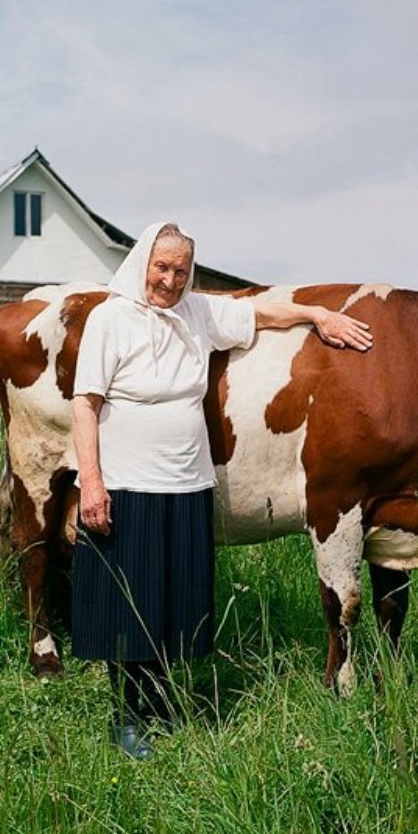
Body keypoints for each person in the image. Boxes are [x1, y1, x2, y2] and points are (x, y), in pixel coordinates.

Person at [72, 221, 374, 760]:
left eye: (181, 270)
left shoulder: (197, 312)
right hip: (128, 482)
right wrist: (90, 482)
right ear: (143, 262)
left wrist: (316, 314)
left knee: (169, 603)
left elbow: (260, 312)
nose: (170, 279)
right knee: (131, 607)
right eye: (161, 267)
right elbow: (85, 404)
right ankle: (127, 719)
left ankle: (163, 706)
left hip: (187, 482)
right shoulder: (109, 319)